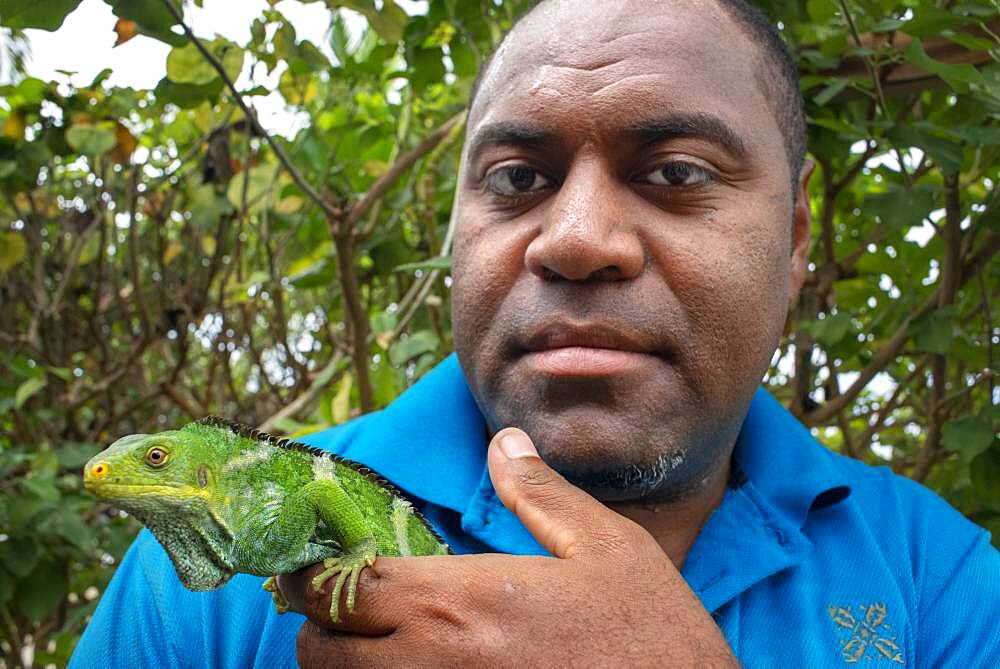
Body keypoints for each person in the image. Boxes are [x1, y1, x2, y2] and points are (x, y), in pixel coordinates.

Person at [70, 0, 999, 666]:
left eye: (676, 172)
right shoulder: (207, 576)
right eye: (517, 178)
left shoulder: (938, 578)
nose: (578, 238)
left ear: (796, 238)